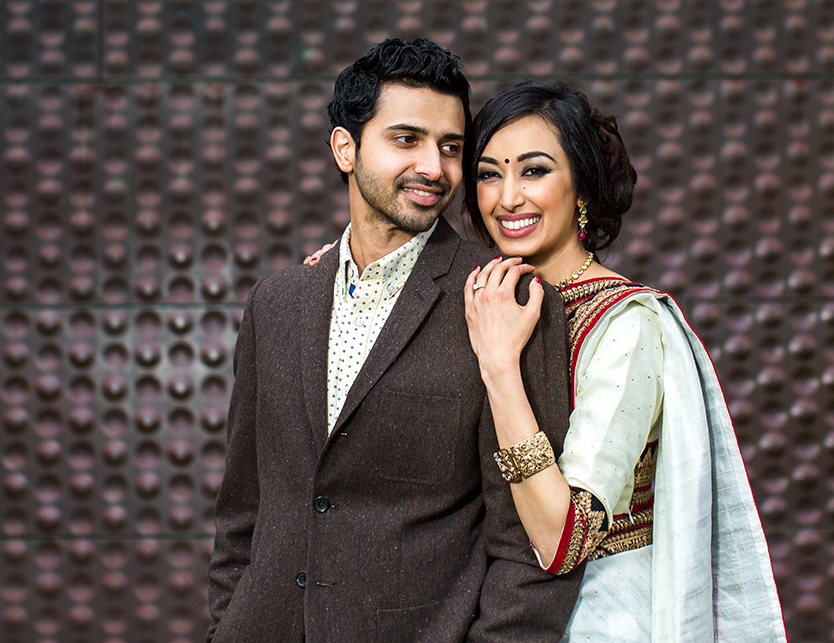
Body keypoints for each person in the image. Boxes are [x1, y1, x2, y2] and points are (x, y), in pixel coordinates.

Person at [207, 39, 584, 643]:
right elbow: (242, 511)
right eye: (406, 139)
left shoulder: (505, 302)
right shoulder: (276, 305)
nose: (435, 167)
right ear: (345, 148)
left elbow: (529, 548)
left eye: (451, 147)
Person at [461, 81, 787, 643]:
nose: (507, 197)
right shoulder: (488, 301)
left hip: (602, 617)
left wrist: (500, 366)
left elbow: (565, 539)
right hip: (494, 616)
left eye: (534, 170)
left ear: (581, 187)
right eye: (489, 173)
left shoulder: (626, 325)